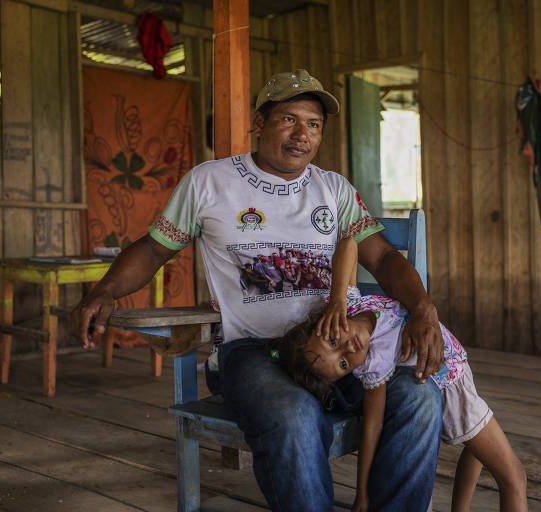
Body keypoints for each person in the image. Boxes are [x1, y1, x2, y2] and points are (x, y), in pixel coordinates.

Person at [71, 68, 446, 511]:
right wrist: (105, 290)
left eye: (313, 125)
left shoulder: (334, 190)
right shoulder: (209, 182)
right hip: (254, 352)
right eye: (288, 119)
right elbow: (154, 250)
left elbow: (382, 259)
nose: (301, 135)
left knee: (420, 397)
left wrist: (423, 309)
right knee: (294, 415)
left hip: (336, 349)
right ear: (258, 122)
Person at [269, 237, 528, 512]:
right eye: (344, 364)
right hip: (451, 389)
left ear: (322, 321)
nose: (348, 349)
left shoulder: (349, 303)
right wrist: (363, 494)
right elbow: (373, 427)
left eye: (333, 341)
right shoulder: (373, 365)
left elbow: (349, 244)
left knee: (477, 453)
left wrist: (337, 299)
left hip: (460, 373)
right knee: (514, 477)